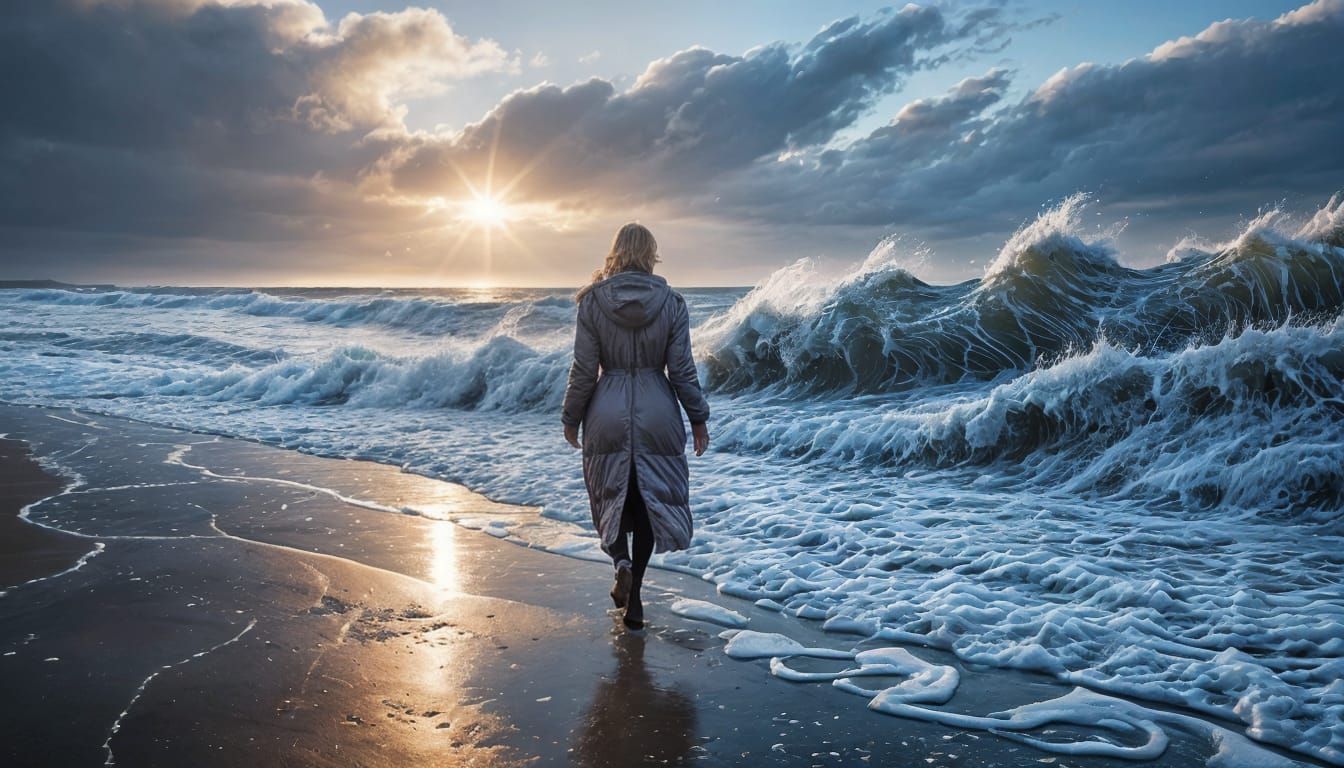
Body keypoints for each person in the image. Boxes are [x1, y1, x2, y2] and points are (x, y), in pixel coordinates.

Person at [561, 222, 710, 630]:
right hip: (657, 409)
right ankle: (637, 597)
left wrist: (571, 416)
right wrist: (698, 417)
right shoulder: (672, 303)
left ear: (616, 251)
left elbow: (583, 370)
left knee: (609, 495)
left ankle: (620, 563)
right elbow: (682, 370)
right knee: (649, 501)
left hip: (606, 409)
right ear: (650, 254)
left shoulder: (592, 302)